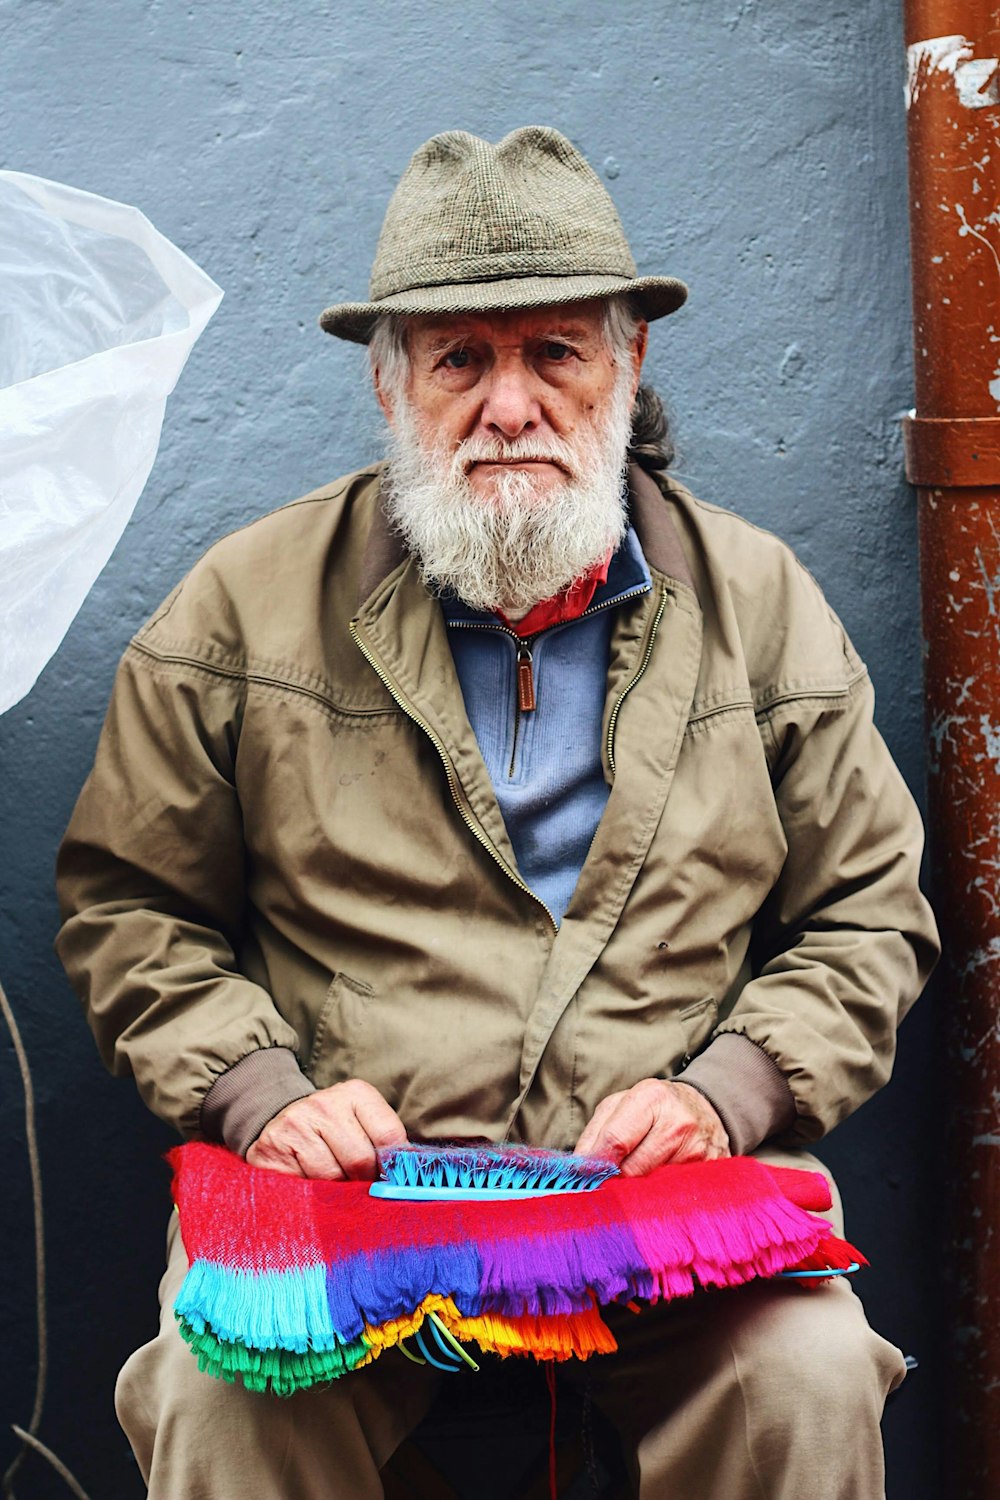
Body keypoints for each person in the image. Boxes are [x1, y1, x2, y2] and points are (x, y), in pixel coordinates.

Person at [56, 126, 938, 1499]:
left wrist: (726, 1095)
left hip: (660, 1214)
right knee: (219, 1400)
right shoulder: (240, 606)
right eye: (461, 359)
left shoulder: (762, 606)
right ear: (391, 381)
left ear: (627, 364)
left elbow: (868, 916)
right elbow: (129, 908)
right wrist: (262, 1095)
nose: (509, 404)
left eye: (553, 354)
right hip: (350, 1209)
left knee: (807, 1377)